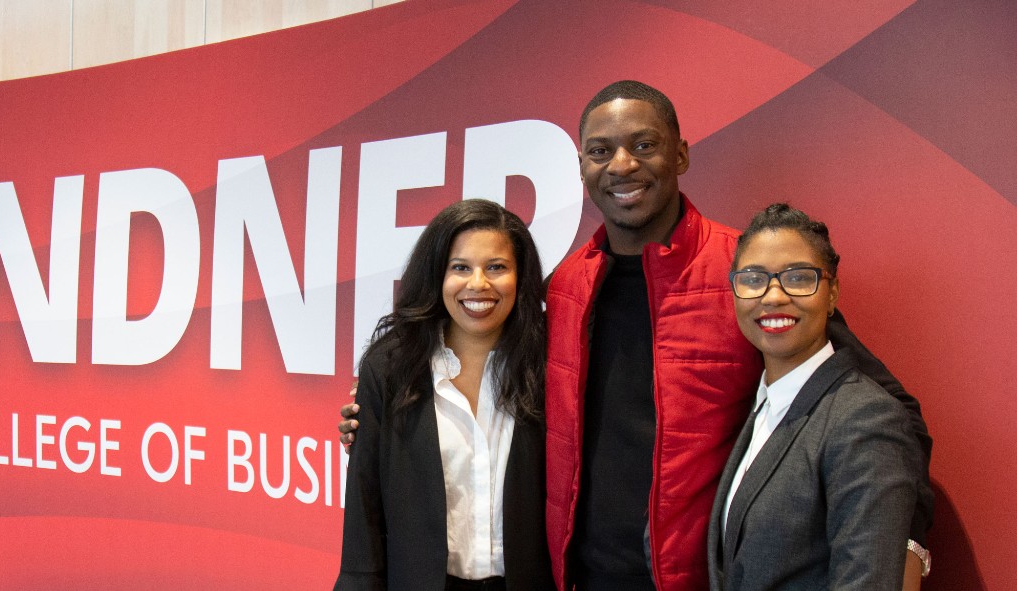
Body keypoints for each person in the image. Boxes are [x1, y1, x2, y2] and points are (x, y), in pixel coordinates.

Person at [342, 80, 932, 590]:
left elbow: (883, 412)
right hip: (580, 578)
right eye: (600, 151)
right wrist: (378, 425)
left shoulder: (747, 275)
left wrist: (904, 542)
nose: (621, 165)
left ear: (680, 154)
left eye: (643, 145)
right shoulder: (567, 286)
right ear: (581, 167)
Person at [335, 199, 556, 590]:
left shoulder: (552, 362)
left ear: (520, 277)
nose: (478, 284)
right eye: (460, 267)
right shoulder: (390, 368)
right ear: (437, 274)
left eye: (496, 267)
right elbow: (365, 505)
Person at [708, 203, 920, 590]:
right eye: (753, 279)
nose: (772, 296)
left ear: (832, 292)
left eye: (798, 277)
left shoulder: (866, 420)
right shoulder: (763, 408)